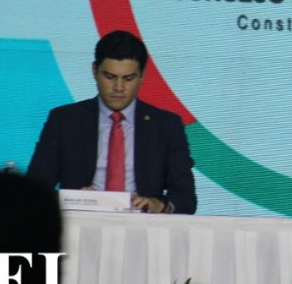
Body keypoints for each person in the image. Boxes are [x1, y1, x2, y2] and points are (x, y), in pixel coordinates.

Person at [28, 30, 196, 214]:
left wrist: (160, 205)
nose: (118, 87)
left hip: (143, 225)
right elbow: (34, 190)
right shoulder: (64, 120)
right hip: (80, 222)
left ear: (142, 75)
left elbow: (186, 198)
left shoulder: (166, 125)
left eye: (128, 78)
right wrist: (73, 200)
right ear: (95, 71)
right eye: (110, 77)